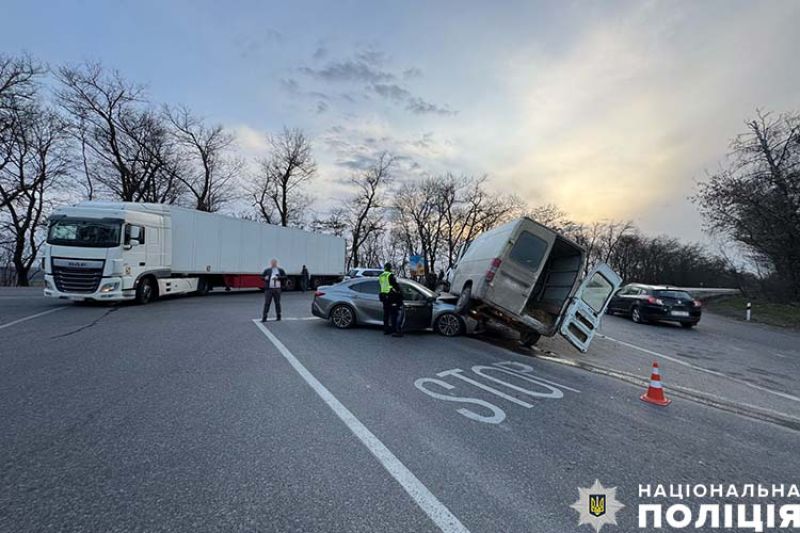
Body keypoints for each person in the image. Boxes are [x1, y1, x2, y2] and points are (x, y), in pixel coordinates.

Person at [378, 262, 404, 337]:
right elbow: (395, 285)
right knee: (393, 314)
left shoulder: (381, 276)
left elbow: (382, 285)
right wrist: (399, 292)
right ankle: (394, 330)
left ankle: (386, 330)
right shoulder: (390, 275)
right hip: (390, 296)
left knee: (386, 314)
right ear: (390, 268)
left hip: (383, 296)